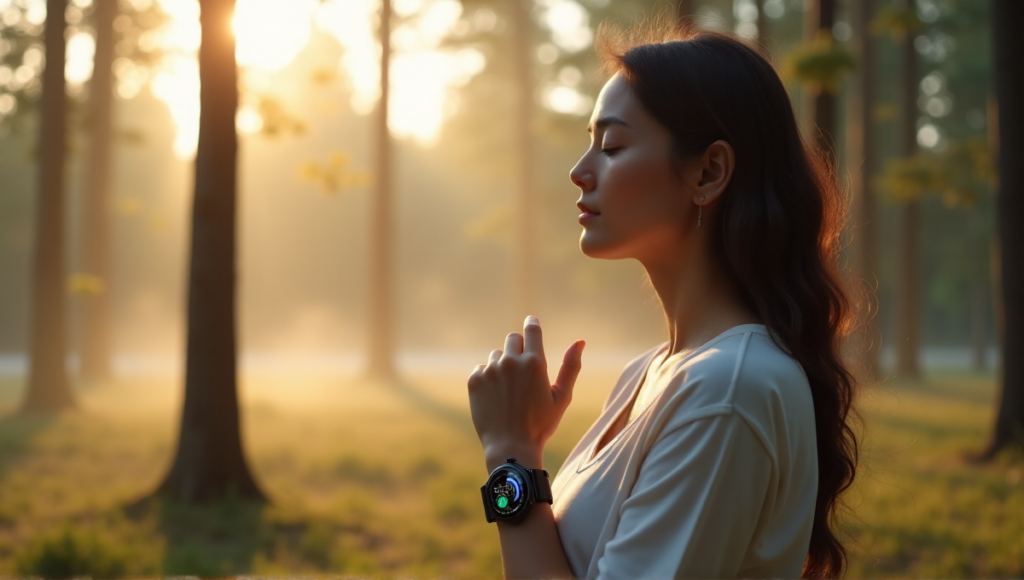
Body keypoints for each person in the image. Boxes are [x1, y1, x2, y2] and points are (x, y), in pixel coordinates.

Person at [467, 21, 860, 580]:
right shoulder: (650, 372)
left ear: (709, 172)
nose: (579, 172)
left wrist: (511, 455)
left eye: (612, 146)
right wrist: (518, 450)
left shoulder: (727, 392)